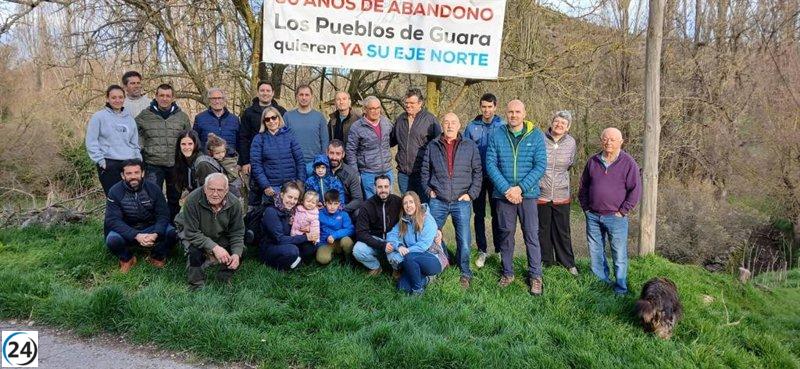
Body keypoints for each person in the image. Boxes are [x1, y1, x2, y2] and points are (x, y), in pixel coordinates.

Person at [485, 99, 547, 295]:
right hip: (503, 196)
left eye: (517, 112)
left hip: (527, 195)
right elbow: (490, 164)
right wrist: (506, 189)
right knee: (506, 235)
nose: (513, 115)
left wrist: (519, 188)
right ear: (506, 113)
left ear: (524, 113)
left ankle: (535, 276)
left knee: (531, 236)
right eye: (510, 112)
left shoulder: (536, 135)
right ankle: (507, 272)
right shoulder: (497, 134)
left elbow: (540, 166)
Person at [420, 112, 482, 288]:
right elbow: (425, 171)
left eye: (453, 122)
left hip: (461, 200)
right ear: (442, 125)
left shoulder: (469, 145)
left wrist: (471, 194)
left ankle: (465, 272)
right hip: (438, 199)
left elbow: (478, 172)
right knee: (431, 235)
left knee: (463, 239)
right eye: (446, 122)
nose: (449, 126)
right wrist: (428, 190)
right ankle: (441, 263)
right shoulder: (433, 146)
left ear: (459, 124)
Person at [578, 127, 641, 295]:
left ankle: (620, 288)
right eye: (605, 139)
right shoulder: (593, 161)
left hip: (616, 217)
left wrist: (623, 211)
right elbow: (583, 186)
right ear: (601, 140)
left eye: (613, 139)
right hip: (593, 215)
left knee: (619, 254)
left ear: (621, 142)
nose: (609, 142)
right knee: (596, 251)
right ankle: (601, 284)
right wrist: (585, 207)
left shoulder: (628, 163)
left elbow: (635, 190)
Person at [175, 173, 245, 290]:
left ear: (226, 190)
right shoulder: (193, 199)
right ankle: (196, 284)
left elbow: (237, 232)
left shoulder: (234, 203)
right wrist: (215, 248)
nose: (215, 194)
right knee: (195, 251)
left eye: (220, 190)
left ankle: (224, 277)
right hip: (193, 232)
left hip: (218, 233)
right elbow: (191, 233)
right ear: (205, 188)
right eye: (211, 189)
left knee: (240, 249)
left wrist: (236, 254)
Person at [104, 159, 176, 272]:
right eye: (129, 173)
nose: (133, 176)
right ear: (123, 175)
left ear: (142, 173)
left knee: (172, 233)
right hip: (128, 229)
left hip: (151, 227)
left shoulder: (154, 189)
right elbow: (112, 220)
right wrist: (136, 235)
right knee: (112, 240)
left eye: (136, 172)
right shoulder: (114, 191)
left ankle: (157, 255)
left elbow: (163, 214)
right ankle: (127, 258)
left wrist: (156, 233)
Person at [136, 83, 192, 220]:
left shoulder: (182, 117)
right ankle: (154, 226)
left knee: (174, 198)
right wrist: (141, 153)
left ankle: (172, 227)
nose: (164, 99)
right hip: (153, 164)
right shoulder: (144, 115)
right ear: (156, 96)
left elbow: (189, 138)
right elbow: (136, 137)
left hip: (176, 164)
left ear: (173, 97)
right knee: (152, 197)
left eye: (168, 96)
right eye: (161, 95)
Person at [464, 93, 506, 268]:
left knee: (498, 214)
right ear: (480, 107)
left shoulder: (503, 125)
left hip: (497, 176)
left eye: (490, 107)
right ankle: (482, 249)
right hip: (478, 177)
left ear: (495, 107)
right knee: (479, 214)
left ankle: (499, 249)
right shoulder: (472, 126)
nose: (487, 110)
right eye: (484, 107)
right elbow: (465, 151)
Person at [538, 111, 579, 276]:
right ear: (552, 122)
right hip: (541, 193)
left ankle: (567, 263)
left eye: (563, 123)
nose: (559, 125)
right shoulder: (540, 138)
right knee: (543, 230)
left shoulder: (571, 143)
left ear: (568, 127)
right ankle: (546, 262)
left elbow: (570, 164)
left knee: (563, 231)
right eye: (557, 121)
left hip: (562, 194)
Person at [385, 191, 447, 295]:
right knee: (402, 287)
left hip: (433, 258)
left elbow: (423, 246)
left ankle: (418, 291)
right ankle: (428, 279)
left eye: (411, 202)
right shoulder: (403, 220)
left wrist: (402, 255)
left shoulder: (427, 220)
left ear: (417, 203)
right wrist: (399, 246)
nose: (408, 206)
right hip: (413, 261)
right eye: (405, 203)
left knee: (410, 257)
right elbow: (391, 235)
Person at [85, 84, 142, 195]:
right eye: (114, 97)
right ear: (107, 98)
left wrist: (138, 160)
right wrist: (101, 161)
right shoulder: (98, 117)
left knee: (131, 197)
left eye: (120, 97)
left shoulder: (129, 119)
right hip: (108, 163)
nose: (117, 100)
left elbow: (134, 143)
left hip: (128, 163)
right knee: (113, 197)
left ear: (124, 99)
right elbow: (91, 141)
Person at [391, 88, 441, 202]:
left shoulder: (430, 120)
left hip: (422, 173)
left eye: (412, 103)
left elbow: (438, 146)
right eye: (406, 103)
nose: (408, 106)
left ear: (420, 103)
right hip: (403, 173)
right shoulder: (400, 119)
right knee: (407, 206)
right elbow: (391, 140)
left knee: (423, 206)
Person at [249, 107, 305, 206]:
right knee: (272, 218)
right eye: (267, 119)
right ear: (264, 122)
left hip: (291, 187)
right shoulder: (259, 139)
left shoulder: (289, 135)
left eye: (274, 117)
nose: (271, 121)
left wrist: (300, 182)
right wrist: (265, 186)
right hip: (271, 189)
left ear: (279, 118)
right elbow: (256, 165)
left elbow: (299, 160)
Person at [259, 181, 319, 270]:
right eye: (290, 197)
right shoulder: (271, 211)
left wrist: (307, 229)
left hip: (288, 240)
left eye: (295, 199)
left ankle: (296, 261)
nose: (292, 201)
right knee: (292, 250)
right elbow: (279, 239)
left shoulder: (293, 210)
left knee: (311, 246)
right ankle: (281, 265)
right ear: (282, 195)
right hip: (271, 246)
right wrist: (306, 237)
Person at [352, 175, 402, 275]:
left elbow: (414, 214)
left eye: (386, 186)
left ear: (390, 187)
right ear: (374, 188)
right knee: (358, 250)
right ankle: (376, 267)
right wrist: (382, 245)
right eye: (380, 187)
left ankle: (396, 269)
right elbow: (361, 233)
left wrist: (436, 230)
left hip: (394, 240)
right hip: (376, 240)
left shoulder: (398, 202)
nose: (383, 190)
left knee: (403, 250)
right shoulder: (367, 206)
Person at [345, 96, 394, 198]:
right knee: (372, 204)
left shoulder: (386, 122)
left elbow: (392, 139)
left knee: (389, 203)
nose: (375, 111)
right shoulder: (357, 127)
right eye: (372, 108)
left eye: (377, 108)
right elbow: (350, 151)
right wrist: (355, 173)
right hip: (369, 173)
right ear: (365, 109)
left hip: (387, 170)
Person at [239, 81, 287, 181]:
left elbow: (286, 136)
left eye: (268, 90)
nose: (265, 93)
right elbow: (243, 138)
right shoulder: (249, 113)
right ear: (257, 92)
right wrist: (245, 162)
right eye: (262, 90)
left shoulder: (281, 111)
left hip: (277, 160)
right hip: (255, 160)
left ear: (273, 93)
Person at [283, 84, 329, 164]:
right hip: (293, 163)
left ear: (311, 97)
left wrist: (322, 161)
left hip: (315, 163)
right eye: (301, 95)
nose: (304, 98)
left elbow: (325, 141)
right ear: (296, 96)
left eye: (307, 95)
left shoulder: (319, 117)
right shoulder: (287, 116)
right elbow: (283, 140)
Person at [193, 88, 240, 157]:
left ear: (224, 100)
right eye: (214, 98)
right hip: (208, 161)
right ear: (209, 100)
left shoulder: (234, 119)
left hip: (230, 161)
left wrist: (240, 162)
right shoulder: (200, 118)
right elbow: (195, 143)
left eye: (219, 98)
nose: (217, 101)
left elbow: (240, 142)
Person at [317, 189, 355, 265]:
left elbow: (350, 229)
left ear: (339, 204)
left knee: (347, 241)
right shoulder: (319, 214)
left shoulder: (343, 214)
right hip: (326, 243)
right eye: (330, 203)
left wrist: (334, 235)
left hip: (340, 241)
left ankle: (348, 258)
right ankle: (332, 254)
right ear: (325, 203)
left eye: (335, 203)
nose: (332, 207)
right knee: (322, 259)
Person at [326, 140, 364, 214]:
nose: (334, 157)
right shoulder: (321, 169)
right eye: (331, 153)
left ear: (343, 154)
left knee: (358, 212)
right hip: (325, 208)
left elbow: (358, 199)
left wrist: (342, 209)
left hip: (344, 209)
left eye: (338, 154)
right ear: (327, 152)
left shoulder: (350, 173)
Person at [172, 130, 201, 208]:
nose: (187, 147)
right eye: (183, 144)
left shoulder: (202, 163)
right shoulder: (183, 161)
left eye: (190, 144)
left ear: (196, 144)